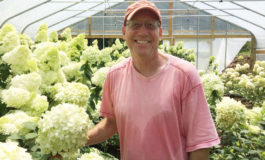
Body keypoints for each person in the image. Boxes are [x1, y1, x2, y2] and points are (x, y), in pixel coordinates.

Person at [86, 0, 220, 159]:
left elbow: (200, 144)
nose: (143, 32)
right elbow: (111, 123)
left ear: (160, 33)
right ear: (124, 32)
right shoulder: (115, 75)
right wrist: (72, 142)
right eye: (135, 25)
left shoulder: (184, 75)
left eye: (150, 25)